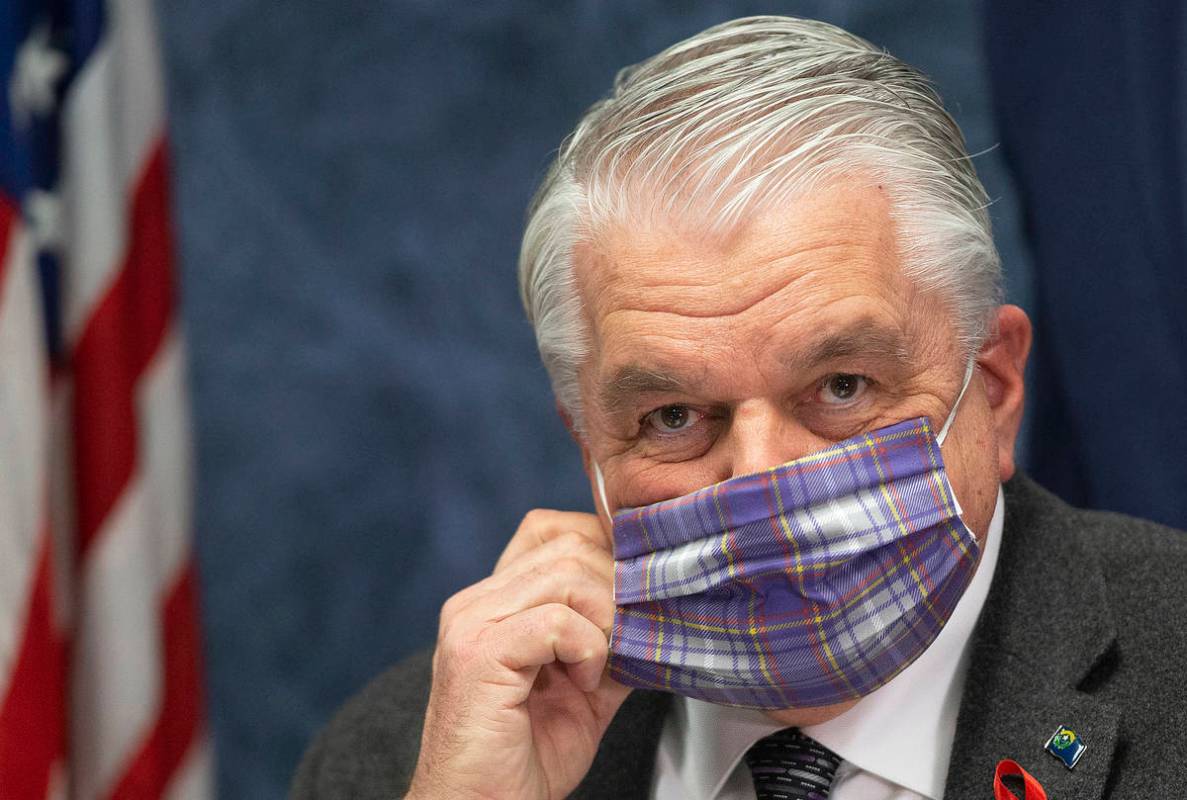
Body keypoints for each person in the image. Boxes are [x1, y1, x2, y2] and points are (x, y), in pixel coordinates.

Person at [292, 16, 1187, 800]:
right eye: (673, 416)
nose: (761, 478)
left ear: (990, 389)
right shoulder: (403, 758)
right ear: (590, 453)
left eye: (842, 387)